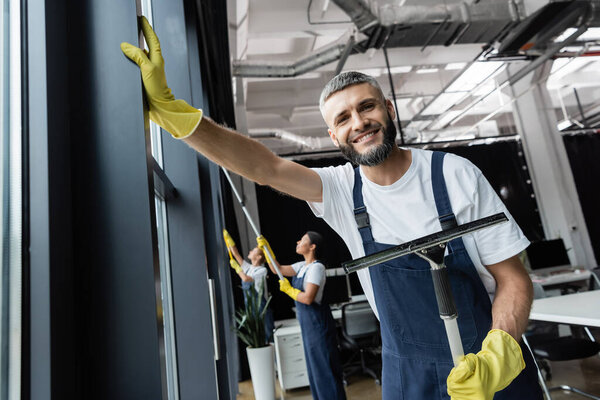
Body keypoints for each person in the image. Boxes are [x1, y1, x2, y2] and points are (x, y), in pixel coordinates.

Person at [121, 17, 543, 399]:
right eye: (343, 118)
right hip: (407, 374)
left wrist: (499, 352)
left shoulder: (452, 174)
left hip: (490, 359)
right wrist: (176, 114)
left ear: (388, 110)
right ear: (333, 135)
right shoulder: (342, 190)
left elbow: (513, 278)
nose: (358, 123)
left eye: (367, 107)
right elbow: (265, 167)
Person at [261, 231, 346, 400]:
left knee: (325, 371)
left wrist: (289, 290)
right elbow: (277, 269)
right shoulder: (302, 266)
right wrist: (266, 250)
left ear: (312, 246)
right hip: (308, 328)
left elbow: (308, 298)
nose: (298, 241)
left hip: (319, 326)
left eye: (303, 240)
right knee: (315, 372)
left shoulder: (317, 268)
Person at [223, 229, 274, 343]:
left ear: (259, 257)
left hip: (260, 307)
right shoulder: (249, 268)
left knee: (267, 336)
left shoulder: (262, 270)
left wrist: (237, 269)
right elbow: (236, 254)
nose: (250, 251)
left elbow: (247, 279)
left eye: (254, 250)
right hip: (250, 307)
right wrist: (229, 240)